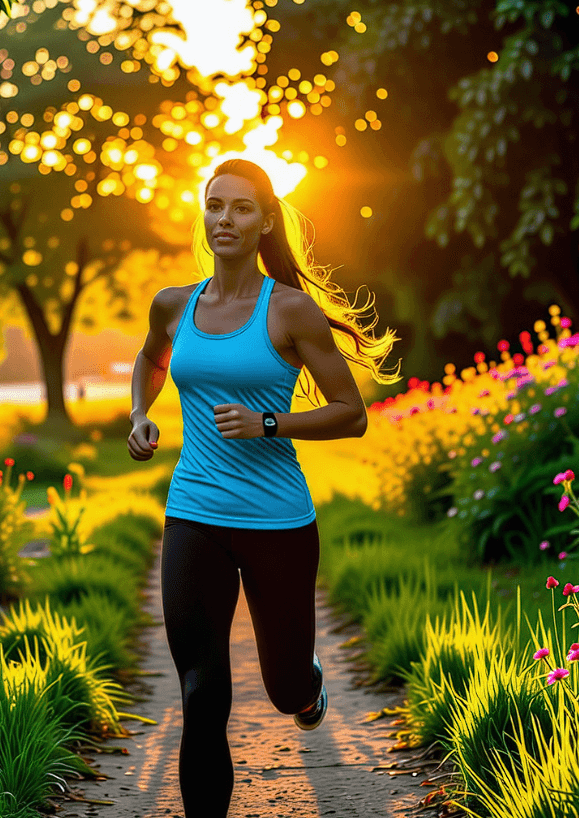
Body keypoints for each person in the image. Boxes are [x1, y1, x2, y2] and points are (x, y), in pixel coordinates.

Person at [128, 158, 401, 818]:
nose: (225, 218)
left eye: (241, 208)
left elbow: (351, 413)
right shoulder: (174, 304)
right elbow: (149, 360)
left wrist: (270, 423)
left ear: (265, 221)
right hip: (194, 513)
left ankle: (307, 689)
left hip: (278, 520)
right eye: (215, 205)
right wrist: (140, 412)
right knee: (200, 693)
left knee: (281, 689)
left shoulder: (290, 312)